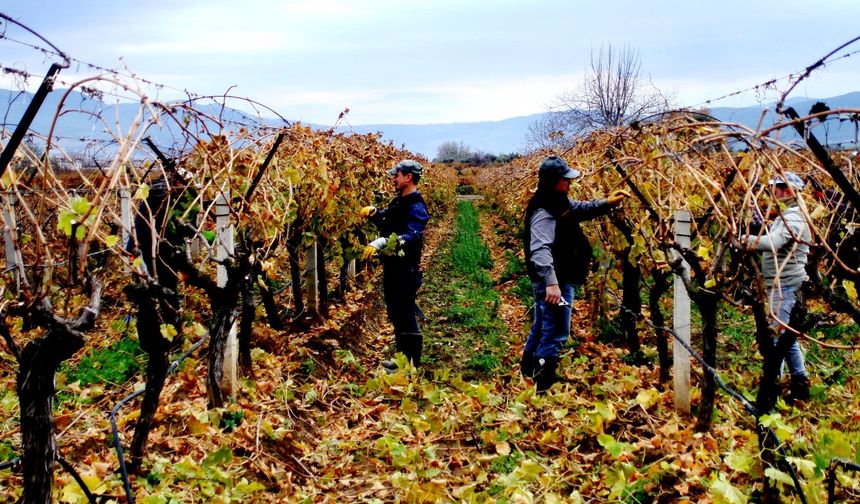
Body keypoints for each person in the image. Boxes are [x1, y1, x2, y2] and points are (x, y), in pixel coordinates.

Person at [521, 155, 629, 392]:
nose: (570, 183)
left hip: (557, 278)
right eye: (565, 179)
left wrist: (606, 203)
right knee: (556, 331)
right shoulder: (544, 209)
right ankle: (542, 386)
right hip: (555, 281)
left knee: (542, 325)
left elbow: (578, 209)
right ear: (554, 181)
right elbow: (539, 249)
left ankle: (528, 372)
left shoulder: (556, 201)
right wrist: (551, 283)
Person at [744, 171, 812, 401]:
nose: (773, 192)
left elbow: (773, 243)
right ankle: (800, 382)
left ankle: (772, 387)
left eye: (776, 187)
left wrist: (747, 241)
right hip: (780, 284)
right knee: (785, 336)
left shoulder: (794, 217)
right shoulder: (790, 215)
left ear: (788, 191)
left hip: (786, 286)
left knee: (777, 338)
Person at [360, 160, 430, 371]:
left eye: (396, 175)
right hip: (394, 266)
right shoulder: (399, 202)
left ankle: (410, 365)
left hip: (406, 269)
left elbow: (412, 236)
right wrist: (375, 213)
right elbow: (389, 221)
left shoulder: (416, 206)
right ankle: (402, 359)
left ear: (408, 177)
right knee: (396, 312)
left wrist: (382, 242)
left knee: (405, 311)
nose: (393, 179)